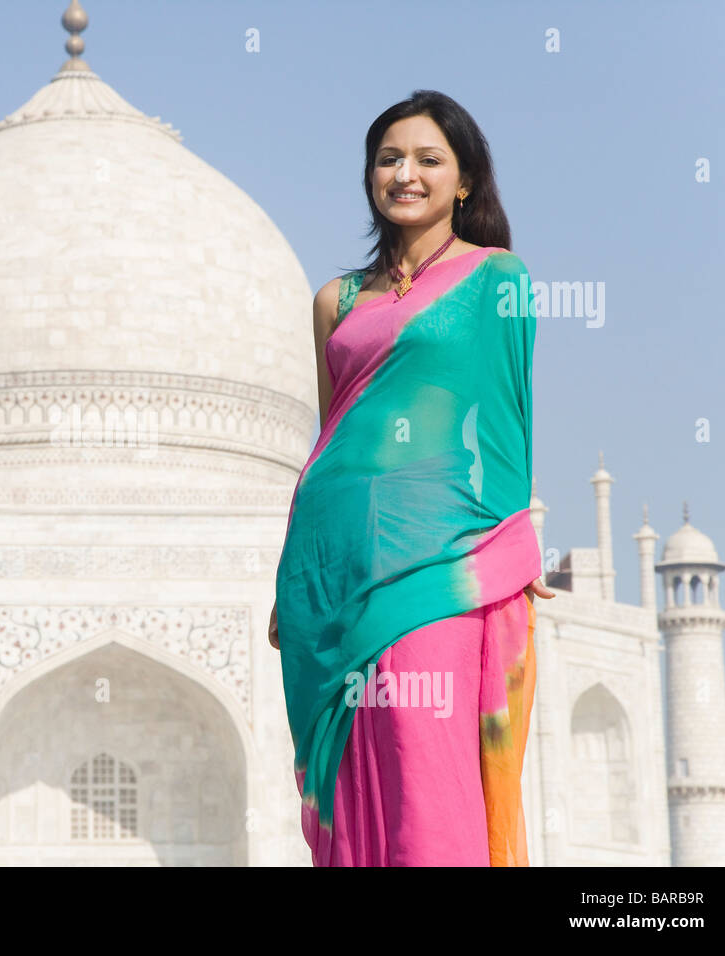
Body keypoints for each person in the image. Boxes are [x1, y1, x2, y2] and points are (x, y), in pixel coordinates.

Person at [269, 89, 555, 866]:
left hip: (433, 552)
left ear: (463, 180)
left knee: (425, 757)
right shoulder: (338, 298)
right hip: (329, 558)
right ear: (369, 175)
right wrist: (286, 582)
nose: (406, 173)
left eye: (429, 160)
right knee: (354, 768)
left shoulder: (496, 277)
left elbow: (504, 423)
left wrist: (509, 545)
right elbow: (331, 435)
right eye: (390, 158)